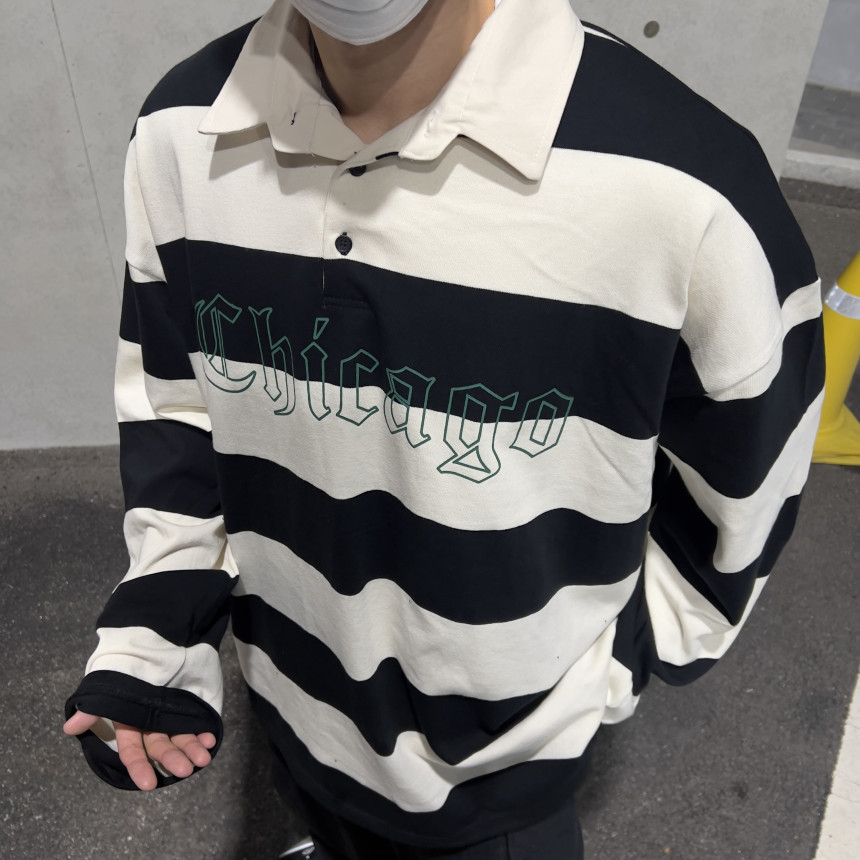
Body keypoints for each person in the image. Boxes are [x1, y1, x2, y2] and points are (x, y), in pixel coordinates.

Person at [63, 1, 826, 857]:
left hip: (503, 781)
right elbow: (180, 405)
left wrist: (612, 662)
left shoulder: (685, 183)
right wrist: (159, 629)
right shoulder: (179, 130)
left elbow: (751, 478)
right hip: (291, 695)